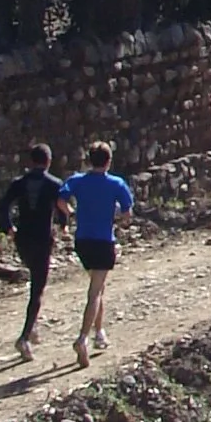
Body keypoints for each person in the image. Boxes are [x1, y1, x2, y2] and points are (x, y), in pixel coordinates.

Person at [65, 139, 133, 367]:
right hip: (103, 240)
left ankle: (100, 332)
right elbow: (127, 213)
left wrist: (71, 212)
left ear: (88, 160)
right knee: (94, 292)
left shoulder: (77, 181)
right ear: (109, 161)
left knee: (98, 285)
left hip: (82, 240)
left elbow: (60, 197)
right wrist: (117, 222)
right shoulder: (116, 184)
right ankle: (82, 338)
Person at [0, 141, 65, 362]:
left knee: (34, 280)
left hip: (23, 239)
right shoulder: (54, 184)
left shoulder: (19, 183)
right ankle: (24, 337)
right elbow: (62, 209)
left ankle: (32, 328)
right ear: (49, 161)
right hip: (42, 239)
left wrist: (8, 229)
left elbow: (3, 206)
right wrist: (62, 226)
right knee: (37, 289)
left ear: (31, 161)